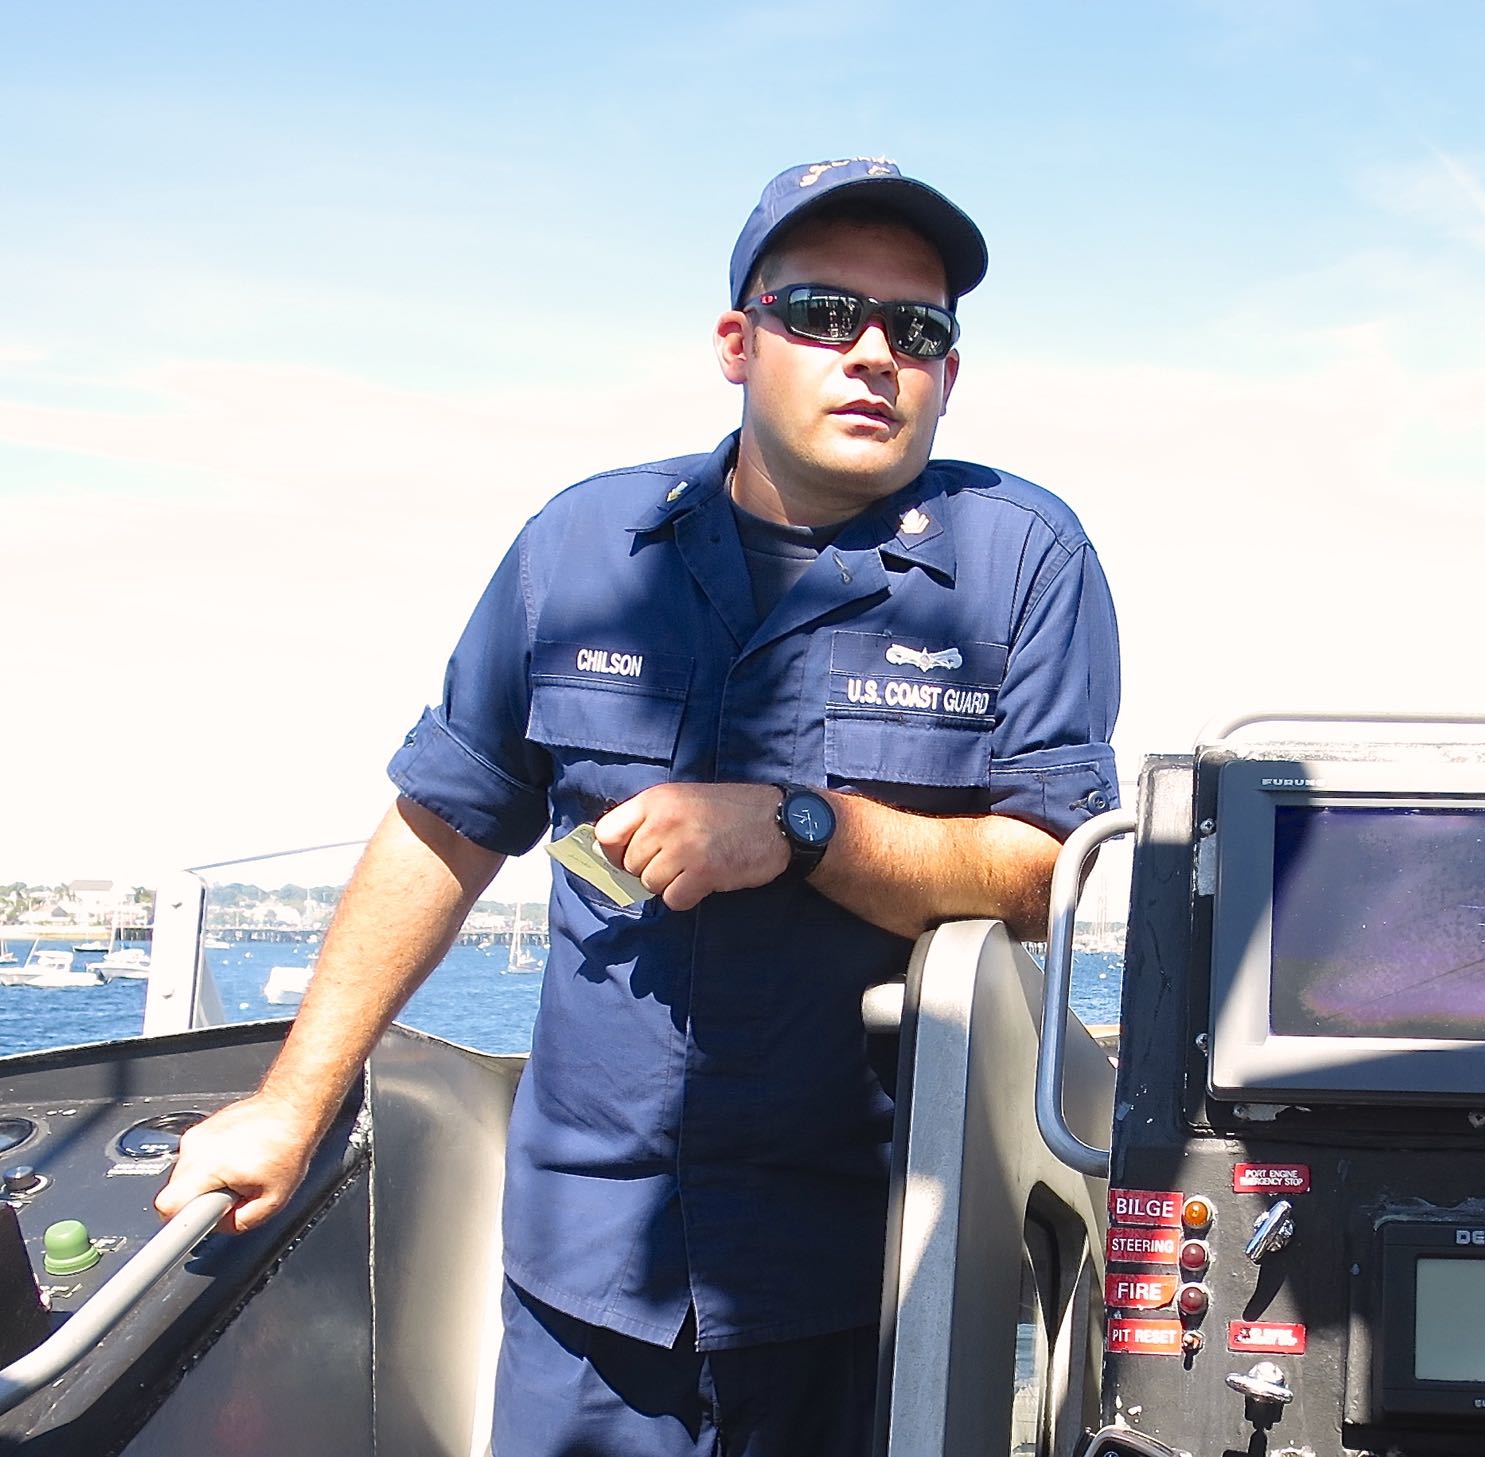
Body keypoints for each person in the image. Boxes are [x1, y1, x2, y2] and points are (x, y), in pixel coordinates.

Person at [154, 157, 1122, 1456]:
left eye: (917, 328)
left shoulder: (1024, 562)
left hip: (873, 1275)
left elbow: (1049, 872)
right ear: (737, 343)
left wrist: (801, 826)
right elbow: (444, 826)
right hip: (590, 1268)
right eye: (824, 313)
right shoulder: (580, 548)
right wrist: (292, 1099)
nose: (874, 354)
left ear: (952, 373)